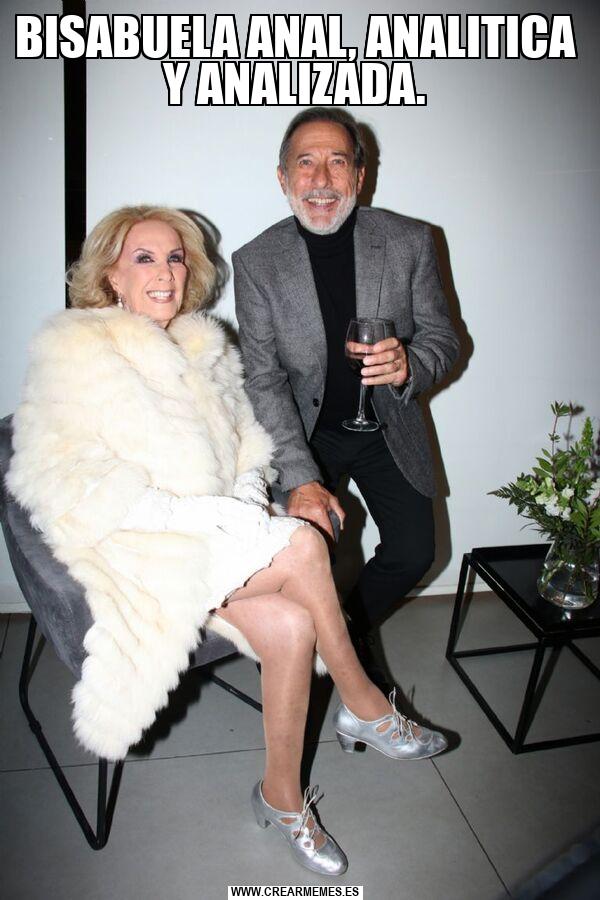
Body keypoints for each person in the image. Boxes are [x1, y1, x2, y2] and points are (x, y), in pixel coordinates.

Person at [7, 206, 447, 876]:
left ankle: (281, 798)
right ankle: (363, 701)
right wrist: (209, 517)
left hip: (214, 539)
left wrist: (238, 503)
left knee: (293, 624)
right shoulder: (76, 353)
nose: (166, 273)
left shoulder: (202, 346)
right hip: (136, 547)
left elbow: (247, 445)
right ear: (111, 276)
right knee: (302, 544)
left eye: (176, 257)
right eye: (144, 258)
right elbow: (62, 481)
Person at [233, 108, 460, 669]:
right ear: (283, 178)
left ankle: (340, 640)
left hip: (386, 424)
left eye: (337, 162)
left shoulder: (409, 241)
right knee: (302, 556)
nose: (321, 180)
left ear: (359, 176)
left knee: (415, 553)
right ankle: (315, 656)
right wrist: (300, 477)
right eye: (305, 163)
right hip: (304, 434)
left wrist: (409, 365)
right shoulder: (255, 262)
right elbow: (263, 378)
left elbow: (443, 339)